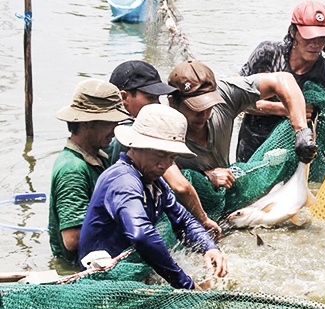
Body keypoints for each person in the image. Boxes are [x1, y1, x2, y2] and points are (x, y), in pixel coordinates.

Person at [78, 104, 227, 290]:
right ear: (138, 146)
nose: (164, 165)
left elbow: (182, 219)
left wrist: (209, 247)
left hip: (129, 273)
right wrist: (184, 284)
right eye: (160, 154)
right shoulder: (123, 180)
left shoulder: (152, 181)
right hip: (103, 281)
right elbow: (141, 235)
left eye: (172, 157)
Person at [235, 0, 325, 163]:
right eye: (309, 37)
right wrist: (284, 109)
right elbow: (236, 103)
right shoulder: (267, 55)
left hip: (297, 155)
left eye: (321, 37)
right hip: (252, 149)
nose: (315, 44)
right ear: (293, 32)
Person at [108, 60, 222, 239]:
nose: (157, 105)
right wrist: (203, 219)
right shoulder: (130, 134)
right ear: (124, 97)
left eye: (158, 99)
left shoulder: (112, 126)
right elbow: (180, 185)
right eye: (150, 98)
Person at [166, 60, 317, 189]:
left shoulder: (224, 93)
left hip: (226, 187)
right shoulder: (160, 128)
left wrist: (301, 130)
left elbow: (282, 79)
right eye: (195, 108)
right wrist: (205, 179)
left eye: (209, 105)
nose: (205, 114)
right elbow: (171, 184)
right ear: (173, 102)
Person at [49, 79, 130, 264]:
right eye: (109, 123)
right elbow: (72, 239)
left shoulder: (100, 156)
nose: (114, 130)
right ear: (86, 123)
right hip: (80, 267)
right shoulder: (73, 170)